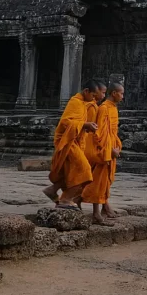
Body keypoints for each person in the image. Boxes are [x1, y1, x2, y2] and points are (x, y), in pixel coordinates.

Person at [43, 79, 101, 208]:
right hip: (67, 141)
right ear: (86, 91)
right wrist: (85, 124)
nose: (93, 99)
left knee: (71, 171)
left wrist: (86, 126)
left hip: (75, 141)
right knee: (84, 170)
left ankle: (52, 190)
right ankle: (66, 199)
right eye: (92, 95)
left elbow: (77, 122)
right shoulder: (75, 102)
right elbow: (65, 122)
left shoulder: (83, 103)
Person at [82, 82, 123, 224]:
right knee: (99, 180)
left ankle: (105, 206)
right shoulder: (104, 108)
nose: (122, 97)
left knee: (106, 180)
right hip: (104, 150)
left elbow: (112, 132)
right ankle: (96, 213)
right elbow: (99, 133)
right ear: (114, 93)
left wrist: (116, 145)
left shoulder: (113, 108)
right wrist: (109, 149)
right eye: (121, 93)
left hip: (111, 148)